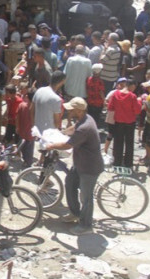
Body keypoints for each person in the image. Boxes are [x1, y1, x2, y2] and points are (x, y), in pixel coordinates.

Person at [45, 97, 104, 235]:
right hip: (80, 163)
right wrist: (62, 133)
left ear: (78, 110)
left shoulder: (85, 127)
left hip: (89, 166)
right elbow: (74, 128)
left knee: (86, 197)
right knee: (70, 183)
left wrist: (51, 145)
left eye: (71, 109)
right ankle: (75, 213)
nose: (68, 111)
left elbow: (68, 145)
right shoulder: (85, 118)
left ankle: (86, 225)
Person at [108, 78, 141, 168]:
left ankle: (117, 162)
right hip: (130, 122)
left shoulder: (116, 94)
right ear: (132, 86)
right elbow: (137, 111)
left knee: (118, 142)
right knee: (129, 143)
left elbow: (110, 107)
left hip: (118, 121)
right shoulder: (132, 96)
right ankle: (128, 164)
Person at [16, 86, 35, 167]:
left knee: (23, 147)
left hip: (22, 131)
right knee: (29, 149)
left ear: (27, 96)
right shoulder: (36, 109)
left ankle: (25, 160)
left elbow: (17, 117)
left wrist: (17, 127)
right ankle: (28, 162)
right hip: (31, 134)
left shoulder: (21, 105)